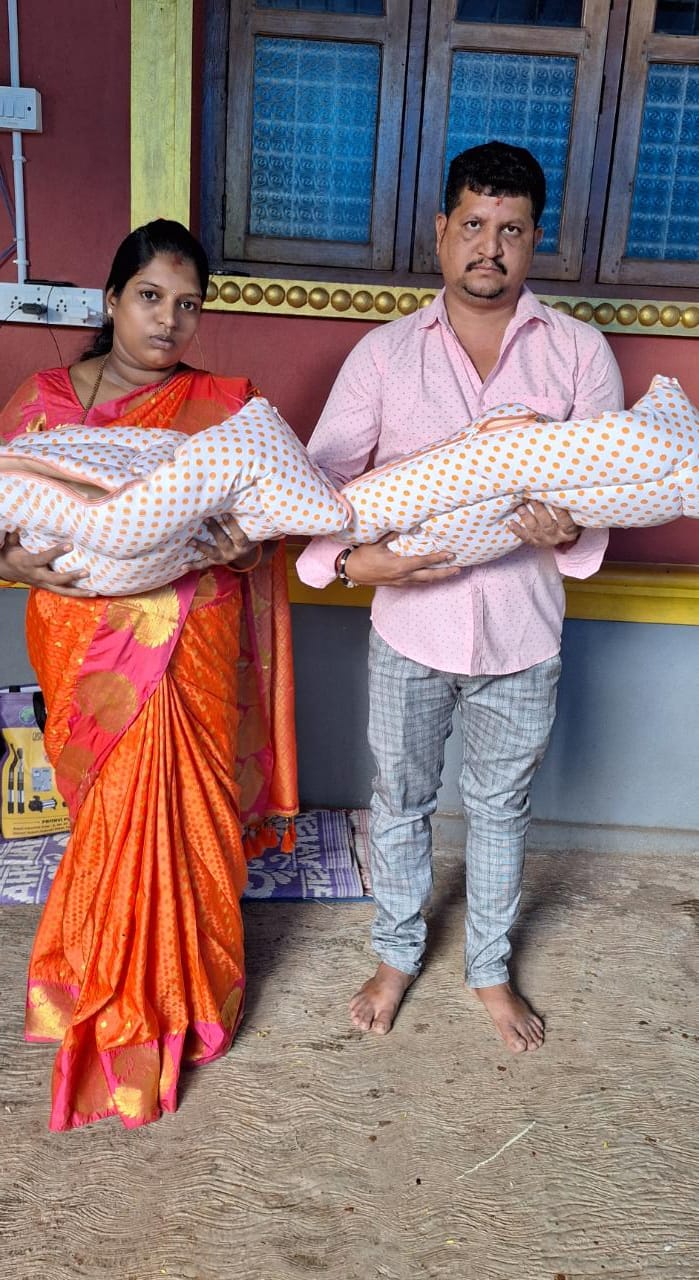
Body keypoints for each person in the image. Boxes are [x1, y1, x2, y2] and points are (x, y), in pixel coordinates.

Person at [297, 141, 624, 1053]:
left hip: (524, 634)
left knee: (499, 809)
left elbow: (606, 491)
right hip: (409, 628)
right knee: (399, 800)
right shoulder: (384, 355)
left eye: (510, 230)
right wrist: (352, 566)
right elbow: (320, 485)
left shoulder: (578, 354)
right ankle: (396, 955)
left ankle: (487, 967)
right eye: (473, 224)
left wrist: (568, 530)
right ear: (441, 230)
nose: (490, 246)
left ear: (534, 240)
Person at [0, 219, 298, 1129]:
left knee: (185, 811)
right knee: (112, 818)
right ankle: (102, 979)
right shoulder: (42, 400)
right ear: (111, 300)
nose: (169, 321)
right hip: (83, 643)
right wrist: (12, 564)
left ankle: (188, 996)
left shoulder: (226, 408)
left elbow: (267, 531)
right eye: (150, 297)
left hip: (190, 640)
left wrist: (245, 547)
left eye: (188, 304)